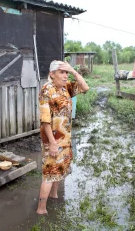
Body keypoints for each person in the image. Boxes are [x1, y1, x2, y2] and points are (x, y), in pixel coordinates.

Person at [36, 60, 89, 215]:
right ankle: (41, 209)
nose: (65, 76)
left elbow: (85, 87)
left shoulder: (66, 87)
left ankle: (54, 194)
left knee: (59, 168)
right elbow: (45, 120)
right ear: (52, 75)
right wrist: (52, 143)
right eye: (62, 72)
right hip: (52, 139)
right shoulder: (47, 90)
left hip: (65, 138)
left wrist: (73, 71)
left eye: (66, 73)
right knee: (49, 171)